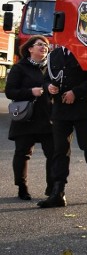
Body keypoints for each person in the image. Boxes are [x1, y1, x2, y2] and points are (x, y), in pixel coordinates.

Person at [39, 46, 87, 208]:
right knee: (60, 150)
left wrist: (76, 92)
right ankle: (58, 193)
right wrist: (49, 87)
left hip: (81, 107)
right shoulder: (54, 54)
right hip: (60, 108)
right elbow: (47, 78)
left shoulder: (86, 49)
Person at [5, 35, 54, 201]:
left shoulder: (51, 68)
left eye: (46, 45)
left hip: (48, 118)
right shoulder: (20, 67)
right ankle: (22, 187)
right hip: (26, 118)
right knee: (22, 154)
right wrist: (30, 91)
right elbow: (10, 91)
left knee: (54, 154)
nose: (44, 47)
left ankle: (52, 188)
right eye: (39, 44)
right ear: (30, 49)